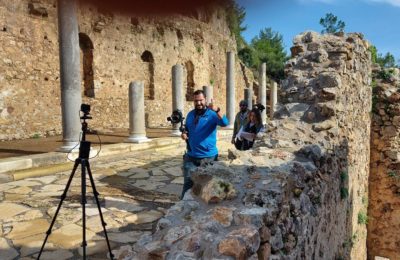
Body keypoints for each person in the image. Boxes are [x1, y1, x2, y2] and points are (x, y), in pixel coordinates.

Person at [180, 89, 229, 199]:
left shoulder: (212, 114)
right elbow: (187, 129)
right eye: (196, 101)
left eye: (201, 100)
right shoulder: (190, 114)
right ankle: (183, 207)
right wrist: (184, 134)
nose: (198, 103)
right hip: (191, 157)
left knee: (210, 185)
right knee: (188, 184)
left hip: (209, 157)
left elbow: (225, 123)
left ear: (205, 99)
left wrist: (217, 110)